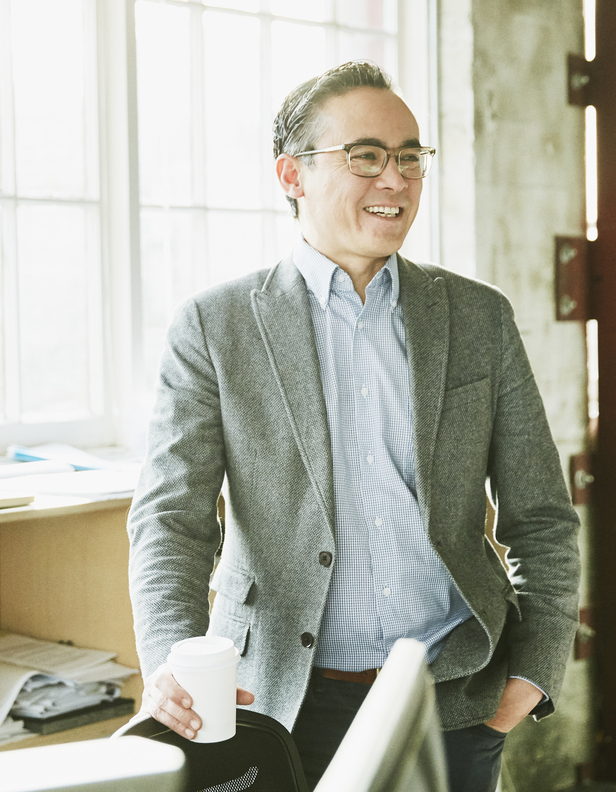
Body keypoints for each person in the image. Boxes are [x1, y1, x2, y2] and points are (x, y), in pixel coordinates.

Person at [127, 61, 581, 791]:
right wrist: (173, 665)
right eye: (366, 156)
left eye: (410, 158)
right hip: (277, 702)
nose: (396, 180)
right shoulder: (217, 327)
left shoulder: (478, 317)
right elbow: (170, 522)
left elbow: (542, 515)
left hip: (456, 696)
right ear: (292, 175)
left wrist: (536, 665)